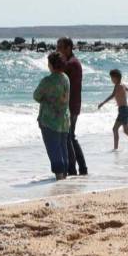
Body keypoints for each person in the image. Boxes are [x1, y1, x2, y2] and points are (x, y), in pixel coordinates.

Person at [34, 52, 71, 181]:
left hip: (50, 120)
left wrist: (47, 99)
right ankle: (64, 176)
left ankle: (59, 177)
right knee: (62, 148)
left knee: (53, 149)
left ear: (51, 64)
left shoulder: (47, 80)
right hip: (64, 119)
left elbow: (36, 96)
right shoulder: (65, 78)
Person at [56, 37, 88, 176]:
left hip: (71, 105)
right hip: (73, 104)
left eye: (60, 47)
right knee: (71, 137)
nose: (58, 50)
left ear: (68, 48)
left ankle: (73, 169)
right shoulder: (72, 63)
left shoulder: (71, 64)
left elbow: (58, 74)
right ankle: (81, 168)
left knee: (69, 137)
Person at [98, 69, 128, 150]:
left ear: (116, 78)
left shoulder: (119, 86)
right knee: (126, 130)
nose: (111, 80)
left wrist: (102, 103)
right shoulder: (123, 85)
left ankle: (116, 148)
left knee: (115, 129)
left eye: (112, 78)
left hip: (123, 110)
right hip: (124, 110)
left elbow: (112, 96)